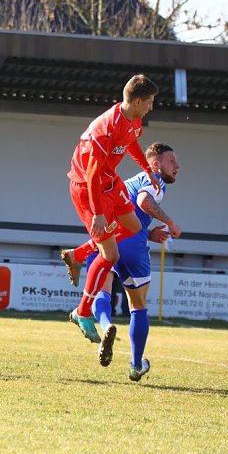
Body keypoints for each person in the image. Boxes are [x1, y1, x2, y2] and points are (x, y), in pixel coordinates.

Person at [59, 75, 161, 362]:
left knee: (134, 226)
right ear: (138, 101)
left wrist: (147, 169)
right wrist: (100, 215)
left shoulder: (133, 120)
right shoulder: (106, 128)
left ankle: (79, 253)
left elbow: (130, 145)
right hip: (86, 187)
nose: (152, 107)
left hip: (109, 180)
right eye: (150, 102)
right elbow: (90, 174)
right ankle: (82, 312)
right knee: (111, 254)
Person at [84, 142, 182, 382]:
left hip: (105, 236)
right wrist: (170, 222)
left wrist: (149, 233)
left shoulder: (130, 181)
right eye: (172, 161)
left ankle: (106, 325)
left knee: (102, 290)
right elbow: (143, 201)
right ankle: (136, 365)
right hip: (132, 245)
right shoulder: (155, 181)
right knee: (137, 305)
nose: (177, 166)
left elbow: (127, 211)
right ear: (156, 164)